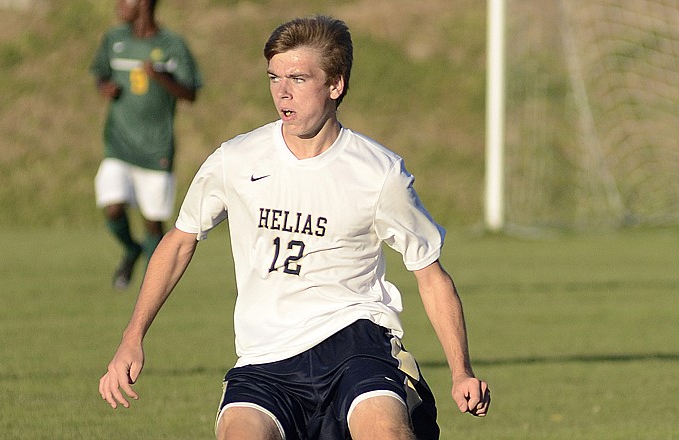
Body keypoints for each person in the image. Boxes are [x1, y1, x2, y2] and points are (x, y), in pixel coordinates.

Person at [99, 15, 490, 439]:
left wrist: (461, 371)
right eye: (274, 78)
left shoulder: (379, 173)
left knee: (386, 433)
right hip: (264, 359)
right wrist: (132, 336)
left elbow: (430, 274)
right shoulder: (237, 159)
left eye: (299, 78)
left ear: (336, 85)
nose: (282, 92)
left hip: (355, 346)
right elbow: (179, 242)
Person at [90, 0, 202, 290]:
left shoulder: (172, 45)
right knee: (112, 206)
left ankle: (152, 287)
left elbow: (190, 93)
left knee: (153, 223)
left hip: (156, 150)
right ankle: (130, 249)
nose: (118, 5)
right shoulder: (114, 39)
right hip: (119, 144)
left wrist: (162, 78)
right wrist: (105, 87)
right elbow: (100, 73)